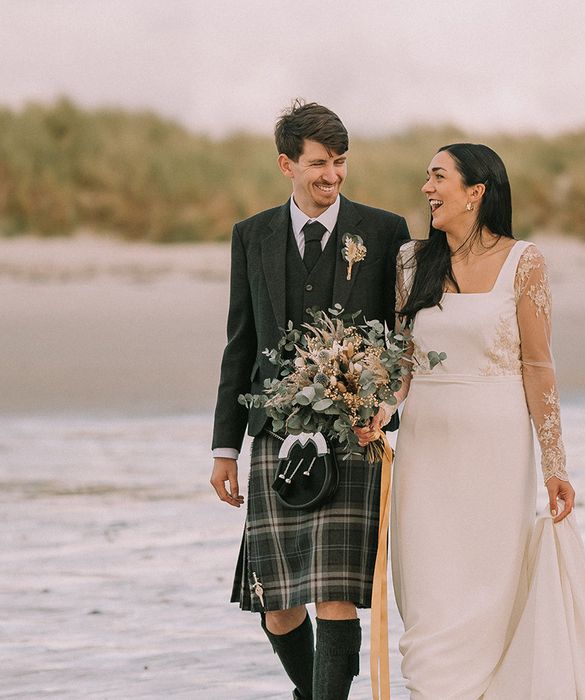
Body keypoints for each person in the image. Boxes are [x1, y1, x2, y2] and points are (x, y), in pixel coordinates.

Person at [363, 143, 585, 698]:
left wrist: (555, 464)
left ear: (476, 191)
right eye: (426, 178)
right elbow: (403, 361)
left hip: (496, 452)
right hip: (425, 449)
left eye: (438, 177)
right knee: (428, 602)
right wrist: (380, 410)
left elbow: (539, 368)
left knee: (487, 597)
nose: (427, 188)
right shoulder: (410, 261)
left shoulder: (526, 262)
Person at [209, 100, 410, 700]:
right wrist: (225, 446)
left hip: (352, 434)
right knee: (277, 605)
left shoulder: (383, 231)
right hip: (275, 434)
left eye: (341, 162)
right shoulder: (253, 236)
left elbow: (402, 337)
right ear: (287, 164)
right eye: (319, 163)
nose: (332, 176)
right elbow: (240, 343)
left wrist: (384, 404)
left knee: (335, 594)